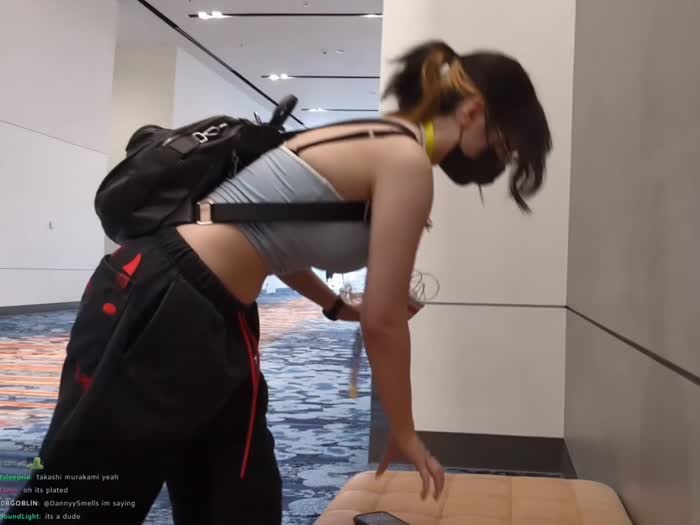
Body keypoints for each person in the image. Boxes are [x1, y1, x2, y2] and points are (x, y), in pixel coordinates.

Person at [2, 39, 551, 524]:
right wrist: (403, 432)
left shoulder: (382, 142)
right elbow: (385, 321)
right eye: (505, 142)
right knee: (87, 493)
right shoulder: (404, 158)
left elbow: (273, 242)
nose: (502, 158)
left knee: (238, 498)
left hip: (218, 313)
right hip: (165, 299)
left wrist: (335, 306)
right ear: (475, 111)